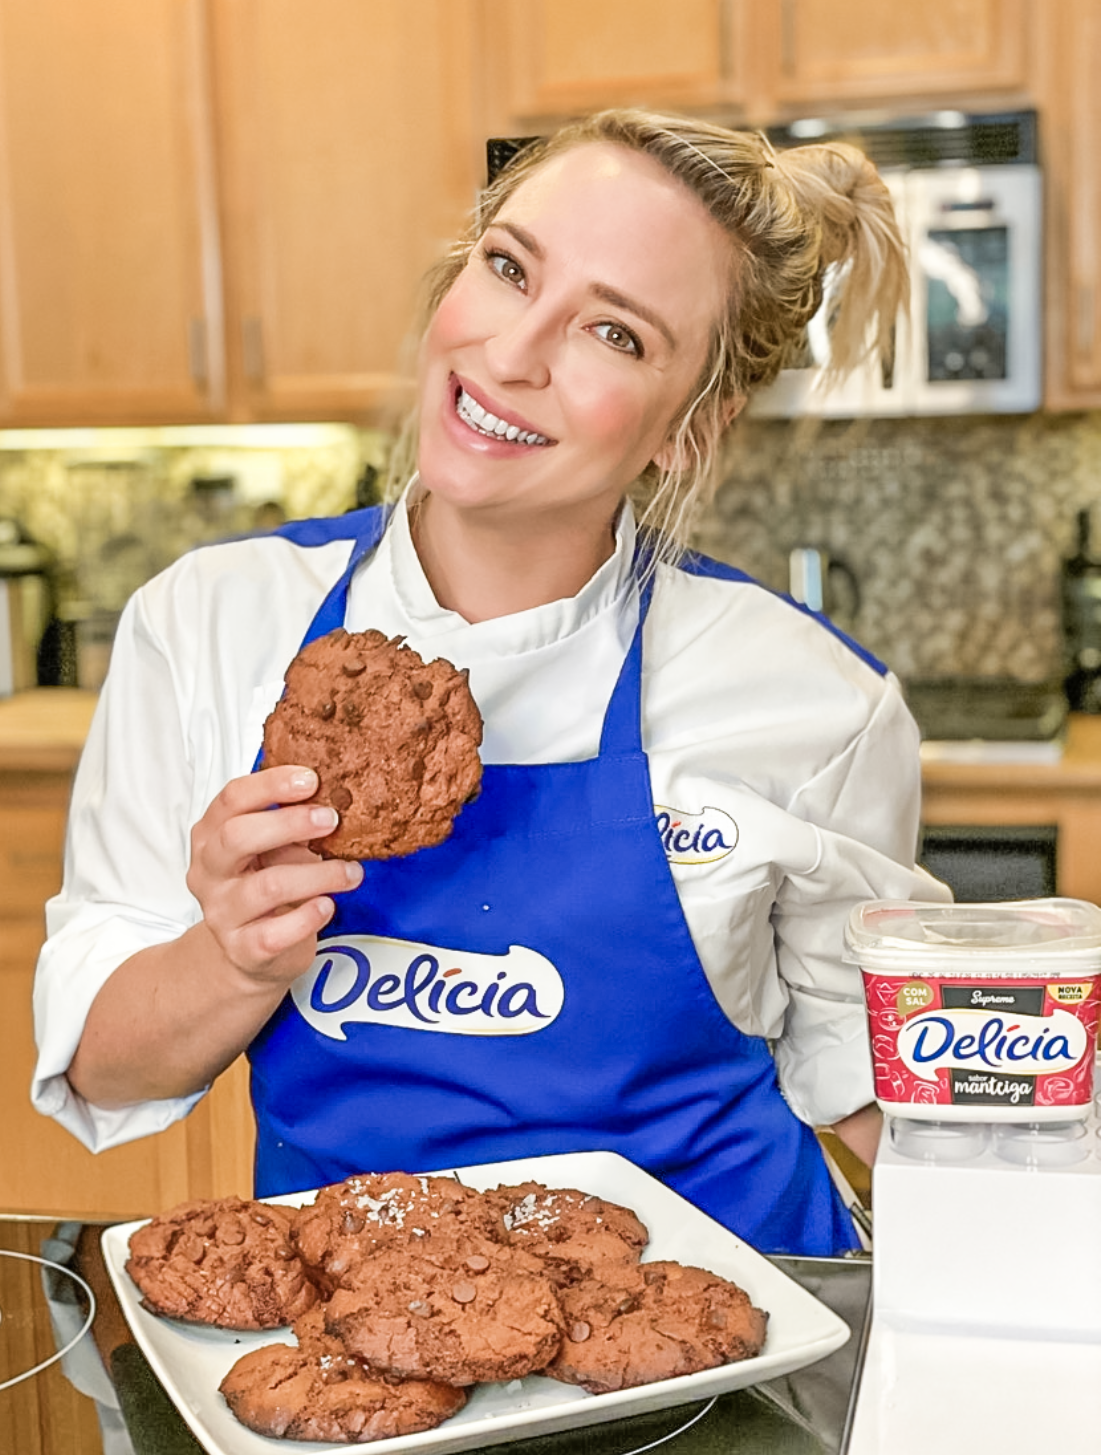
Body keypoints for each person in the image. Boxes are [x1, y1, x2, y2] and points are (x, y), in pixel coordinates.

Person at [32, 109, 947, 1257]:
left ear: (689, 424)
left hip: (731, 1335)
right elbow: (106, 1067)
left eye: (614, 334)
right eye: (509, 269)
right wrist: (230, 955)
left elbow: (876, 1088)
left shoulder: (815, 705)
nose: (514, 354)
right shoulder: (211, 624)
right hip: (356, 1342)